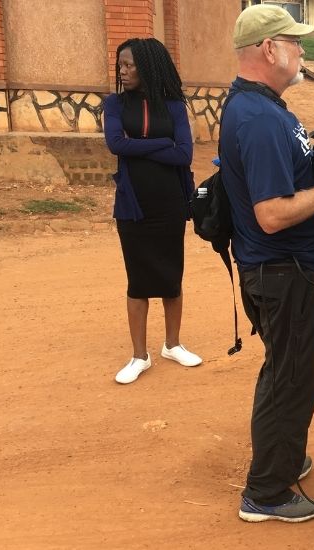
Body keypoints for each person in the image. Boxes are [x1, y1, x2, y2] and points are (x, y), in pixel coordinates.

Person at [221, 5, 314, 523]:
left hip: (281, 269)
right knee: (291, 378)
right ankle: (266, 493)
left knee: (287, 373)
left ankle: (282, 457)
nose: (303, 50)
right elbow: (271, 214)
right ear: (270, 49)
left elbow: (293, 178)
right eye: (296, 41)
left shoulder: (263, 107)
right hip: (281, 268)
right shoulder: (261, 118)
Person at [103, 37, 201, 385]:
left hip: (170, 203)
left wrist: (138, 147)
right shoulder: (114, 104)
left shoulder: (173, 107)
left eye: (129, 65)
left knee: (171, 277)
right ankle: (139, 356)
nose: (123, 70)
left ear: (147, 67)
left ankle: (172, 345)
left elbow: (184, 155)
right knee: (138, 281)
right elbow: (116, 144)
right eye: (121, 64)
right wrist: (163, 143)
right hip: (133, 205)